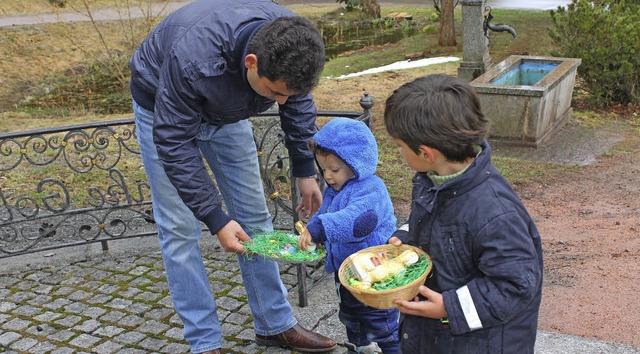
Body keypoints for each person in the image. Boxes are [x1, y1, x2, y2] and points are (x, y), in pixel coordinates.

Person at [128, 0, 336, 353]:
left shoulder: (291, 41)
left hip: (227, 112)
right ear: (251, 62)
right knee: (180, 229)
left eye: (289, 93)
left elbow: (296, 101)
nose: (282, 102)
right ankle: (204, 341)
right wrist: (215, 217)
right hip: (163, 111)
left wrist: (304, 169)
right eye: (275, 94)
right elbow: (175, 142)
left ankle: (274, 324)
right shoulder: (194, 58)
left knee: (255, 217)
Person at [383, 74, 544, 353]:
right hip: (437, 337)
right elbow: (434, 222)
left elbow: (516, 286)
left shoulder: (495, 213)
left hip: (479, 343)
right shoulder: (433, 180)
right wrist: (405, 238)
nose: (399, 153)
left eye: (400, 146)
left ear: (426, 153)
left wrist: (449, 307)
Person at [297, 117, 400, 353]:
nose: (328, 176)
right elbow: (324, 214)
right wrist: (313, 233)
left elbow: (357, 223)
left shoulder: (371, 189)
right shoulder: (335, 188)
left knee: (381, 323)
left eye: (334, 169)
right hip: (347, 272)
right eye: (323, 169)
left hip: (374, 274)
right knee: (351, 316)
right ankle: (360, 346)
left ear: (357, 164)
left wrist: (319, 229)